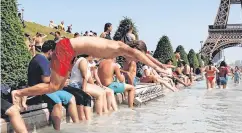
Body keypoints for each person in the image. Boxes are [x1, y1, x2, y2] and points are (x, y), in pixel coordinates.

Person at [11, 37, 167, 107]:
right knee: (53, 86)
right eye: (137, 56)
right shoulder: (121, 47)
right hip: (66, 49)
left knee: (55, 87)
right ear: (135, 50)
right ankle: (18, 93)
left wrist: (160, 64)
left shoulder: (121, 49)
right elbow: (140, 54)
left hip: (68, 51)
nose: (137, 60)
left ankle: (22, 94)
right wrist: (160, 68)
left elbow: (144, 55)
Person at [25, 40, 79, 130]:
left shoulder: (39, 58)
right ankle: (57, 130)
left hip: (48, 88)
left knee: (71, 97)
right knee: (57, 103)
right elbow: (45, 79)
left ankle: (77, 125)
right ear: (50, 51)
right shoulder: (42, 60)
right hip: (40, 90)